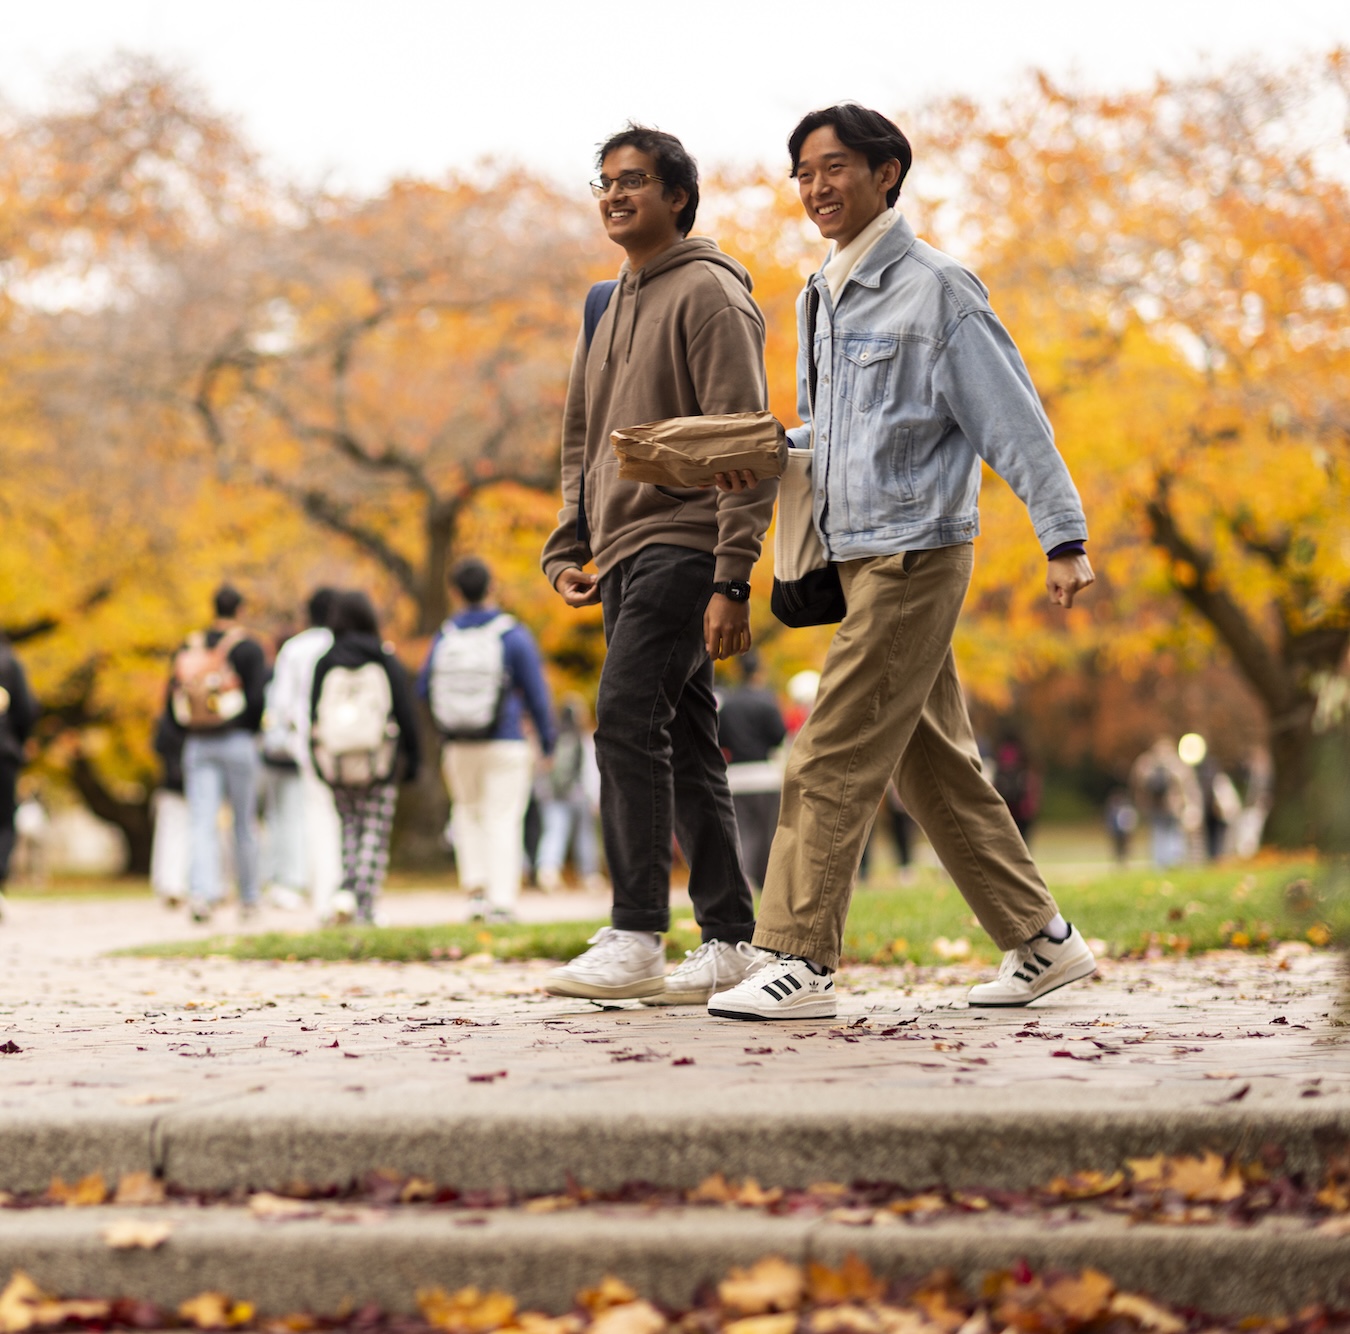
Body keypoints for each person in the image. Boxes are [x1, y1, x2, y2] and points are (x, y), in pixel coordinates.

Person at [708, 104, 1097, 1020]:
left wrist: (1063, 535)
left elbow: (1011, 418)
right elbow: (846, 434)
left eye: (834, 166)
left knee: (830, 750)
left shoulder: (938, 290)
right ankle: (1043, 942)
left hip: (917, 552)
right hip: (855, 557)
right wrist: (766, 451)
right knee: (931, 766)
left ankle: (797, 957)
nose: (815, 187)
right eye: (802, 172)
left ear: (888, 174)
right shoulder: (820, 293)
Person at [540, 124, 778, 1005]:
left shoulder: (712, 295)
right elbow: (582, 437)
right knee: (681, 738)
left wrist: (731, 574)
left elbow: (748, 445)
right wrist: (571, 539)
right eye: (603, 182)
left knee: (623, 716)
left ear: (678, 196)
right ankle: (731, 940)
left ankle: (637, 931)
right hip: (624, 551)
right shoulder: (605, 305)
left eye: (634, 180)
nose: (614, 195)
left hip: (686, 541)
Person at [420, 557, 555, 924]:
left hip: (458, 744)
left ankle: (476, 895)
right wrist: (547, 741)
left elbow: (423, 687)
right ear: (491, 587)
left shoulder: (446, 635)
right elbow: (537, 694)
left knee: (467, 812)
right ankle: (502, 901)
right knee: (503, 816)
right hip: (505, 741)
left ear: (454, 592)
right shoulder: (511, 634)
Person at [311, 591, 420, 925]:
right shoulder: (384, 658)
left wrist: (318, 760)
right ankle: (365, 906)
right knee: (374, 831)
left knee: (349, 830)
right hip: (379, 761)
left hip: (338, 762)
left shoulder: (326, 661)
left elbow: (312, 715)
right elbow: (404, 713)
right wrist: (413, 758)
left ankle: (347, 894)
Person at [172, 584, 267, 924]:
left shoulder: (191, 643)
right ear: (239, 609)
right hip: (238, 740)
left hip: (198, 742)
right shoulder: (248, 648)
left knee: (201, 820)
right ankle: (249, 897)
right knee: (244, 822)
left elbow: (173, 701)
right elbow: (258, 699)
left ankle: (201, 893)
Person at [266, 588, 343, 924]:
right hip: (347, 741)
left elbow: (280, 704)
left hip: (307, 744)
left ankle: (323, 894)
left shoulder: (295, 649)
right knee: (347, 815)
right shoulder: (342, 644)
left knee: (317, 816)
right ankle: (346, 890)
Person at [717, 651, 787, 891]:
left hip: (736, 777)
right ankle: (767, 881)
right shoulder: (767, 700)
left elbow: (720, 737)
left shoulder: (729, 704)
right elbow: (779, 735)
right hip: (764, 775)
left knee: (743, 831)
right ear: (759, 671)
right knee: (768, 831)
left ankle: (743, 877)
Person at [535, 695, 603, 893]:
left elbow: (542, 769)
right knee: (585, 836)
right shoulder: (584, 738)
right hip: (579, 795)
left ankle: (548, 870)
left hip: (553, 795)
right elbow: (590, 770)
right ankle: (590, 875)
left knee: (554, 832)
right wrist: (595, 797)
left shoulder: (552, 737)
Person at [0, 635, 38, 913]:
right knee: (3, 821)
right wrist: (19, 740)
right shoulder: (10, 661)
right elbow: (27, 709)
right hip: (3, 751)